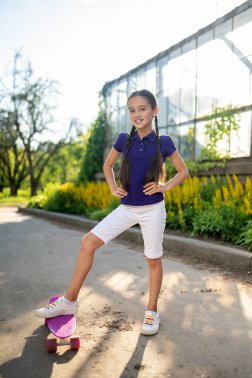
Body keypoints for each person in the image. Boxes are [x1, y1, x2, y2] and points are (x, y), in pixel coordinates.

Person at [36, 89, 189, 335]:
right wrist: (113, 188)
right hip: (127, 208)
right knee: (87, 243)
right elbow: (108, 165)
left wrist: (164, 186)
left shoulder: (164, 142)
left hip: (153, 209)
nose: (136, 114)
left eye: (142, 108)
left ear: (155, 111)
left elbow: (183, 171)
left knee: (153, 259)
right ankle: (70, 302)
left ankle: (151, 312)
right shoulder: (123, 139)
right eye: (132, 110)